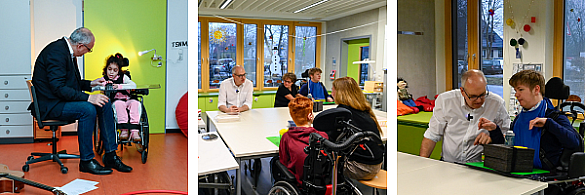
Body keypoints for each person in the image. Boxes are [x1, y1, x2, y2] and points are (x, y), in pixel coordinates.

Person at [30, 27, 132, 174]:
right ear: (80, 46)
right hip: (50, 105)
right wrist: (89, 97)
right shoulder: (57, 53)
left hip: (57, 100)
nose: (86, 53)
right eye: (89, 50)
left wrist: (91, 84)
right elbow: (58, 88)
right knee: (88, 109)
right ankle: (86, 161)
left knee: (104, 102)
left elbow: (70, 84)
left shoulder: (67, 52)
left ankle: (110, 155)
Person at [420, 69, 510, 163]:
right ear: (462, 91)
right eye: (473, 96)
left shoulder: (497, 103)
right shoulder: (446, 101)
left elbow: (507, 136)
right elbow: (432, 135)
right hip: (448, 163)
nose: (479, 100)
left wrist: (492, 138)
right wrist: (422, 164)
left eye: (483, 95)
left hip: (478, 166)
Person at [505, 70, 581, 170]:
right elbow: (510, 147)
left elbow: (574, 142)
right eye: (515, 91)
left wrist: (548, 123)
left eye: (521, 90)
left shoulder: (555, 117)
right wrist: (494, 132)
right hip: (519, 172)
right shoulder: (518, 119)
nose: (516, 95)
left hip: (546, 177)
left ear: (536, 89)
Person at [331, 77, 384, 180]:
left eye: (333, 90)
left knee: (324, 162)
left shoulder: (342, 113)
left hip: (361, 168)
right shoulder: (364, 110)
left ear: (339, 93)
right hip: (377, 164)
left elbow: (331, 139)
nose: (332, 93)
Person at [279, 97, 329, 185]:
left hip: (300, 181)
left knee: (275, 161)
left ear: (292, 116)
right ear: (310, 116)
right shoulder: (323, 136)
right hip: (322, 181)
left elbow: (284, 161)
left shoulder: (286, 137)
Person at [99, 53, 141, 142]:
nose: (111, 72)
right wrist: (104, 86)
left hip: (128, 99)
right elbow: (99, 88)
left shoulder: (124, 77)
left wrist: (119, 86)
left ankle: (135, 131)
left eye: (115, 70)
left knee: (135, 103)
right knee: (119, 104)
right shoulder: (104, 79)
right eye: (109, 69)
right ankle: (124, 130)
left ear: (118, 71)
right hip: (116, 101)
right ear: (106, 69)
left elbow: (133, 85)